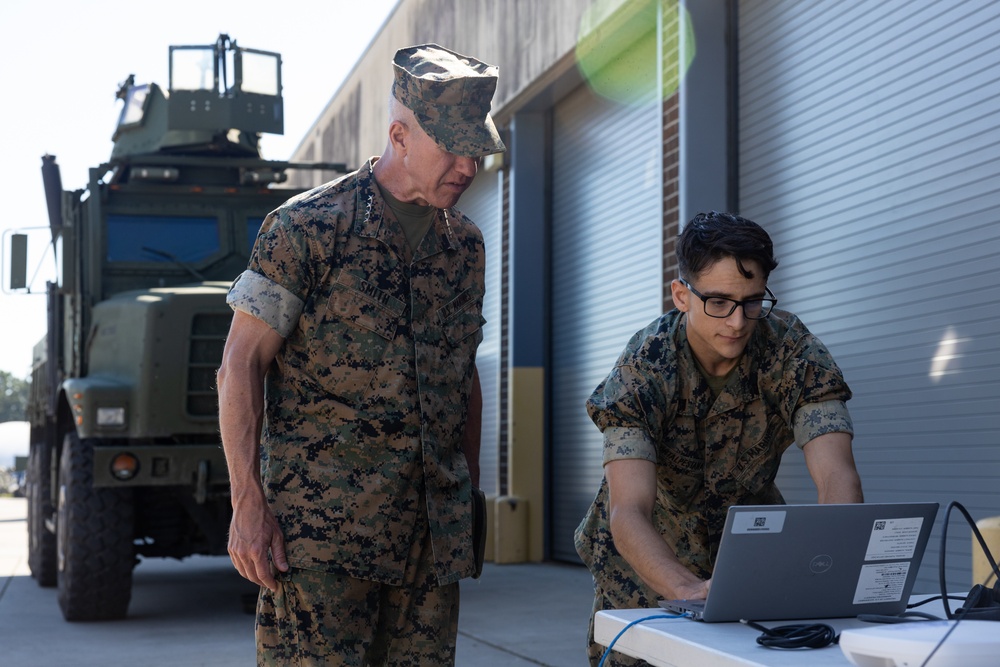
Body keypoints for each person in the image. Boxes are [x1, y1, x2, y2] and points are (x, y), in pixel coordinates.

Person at [216, 43, 505, 665]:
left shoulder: (465, 247)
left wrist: (468, 492)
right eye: (451, 148)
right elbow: (240, 364)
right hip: (321, 540)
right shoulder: (306, 228)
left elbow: (463, 372)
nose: (467, 165)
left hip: (430, 542)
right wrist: (247, 504)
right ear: (400, 136)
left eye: (476, 150)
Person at [574, 211, 864, 666]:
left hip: (750, 558)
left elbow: (837, 477)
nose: (737, 321)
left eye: (752, 301)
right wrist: (688, 590)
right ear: (681, 295)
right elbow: (628, 511)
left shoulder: (793, 352)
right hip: (646, 565)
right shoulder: (644, 369)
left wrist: (826, 572)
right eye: (719, 301)